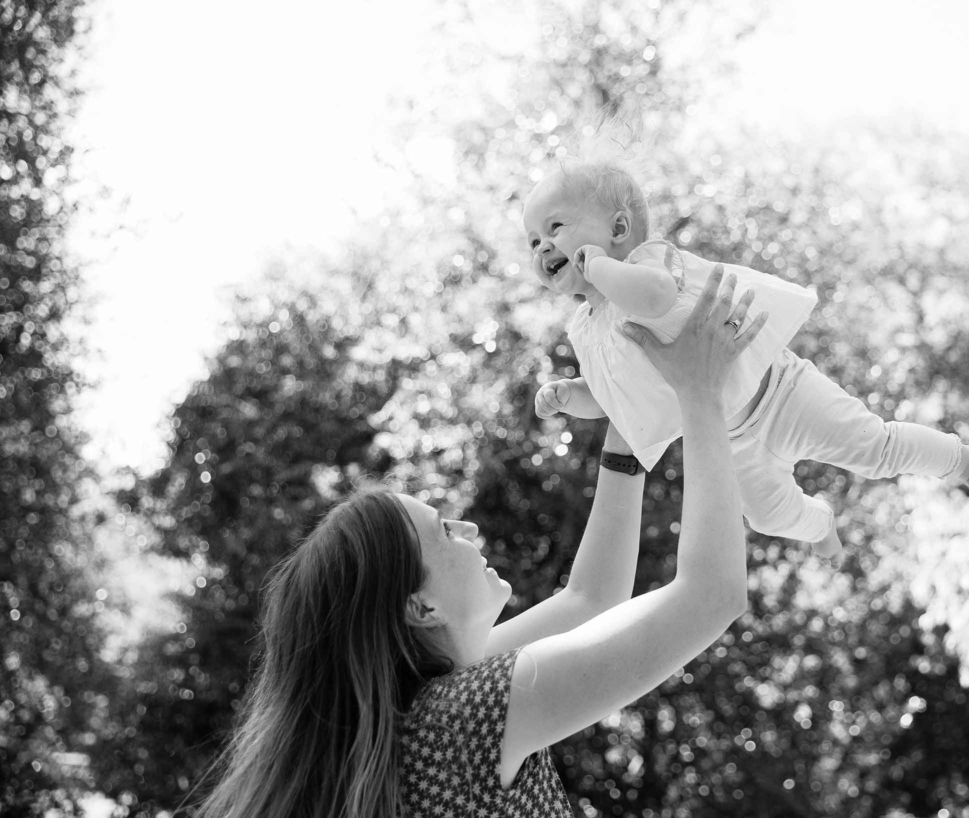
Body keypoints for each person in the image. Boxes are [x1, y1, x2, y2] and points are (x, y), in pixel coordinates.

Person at [193, 268, 766, 817]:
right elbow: (711, 595)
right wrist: (699, 391)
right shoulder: (462, 718)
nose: (467, 530)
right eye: (443, 531)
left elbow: (591, 602)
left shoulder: (428, 710)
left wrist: (627, 430)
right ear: (420, 606)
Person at [524, 159, 969, 557]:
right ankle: (819, 523)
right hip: (726, 438)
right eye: (533, 242)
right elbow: (616, 400)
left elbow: (652, 299)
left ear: (618, 228)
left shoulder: (646, 263)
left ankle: (963, 461)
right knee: (767, 516)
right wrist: (573, 396)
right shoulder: (588, 329)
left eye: (556, 226)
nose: (543, 246)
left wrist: (601, 266)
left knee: (875, 450)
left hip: (783, 391)